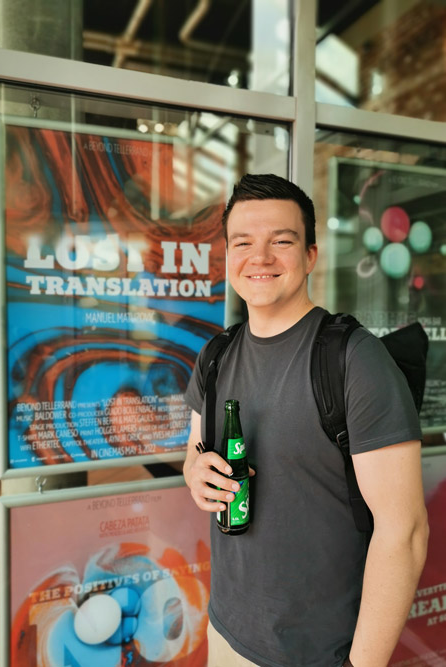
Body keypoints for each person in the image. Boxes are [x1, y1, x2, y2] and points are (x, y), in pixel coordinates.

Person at [183, 174, 429, 667]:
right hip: (227, 632)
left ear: (311, 255)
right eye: (243, 242)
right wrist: (194, 473)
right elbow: (194, 450)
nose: (261, 257)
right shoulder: (215, 355)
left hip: (321, 652)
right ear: (228, 256)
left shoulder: (354, 360)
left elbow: (404, 531)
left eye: (282, 241)